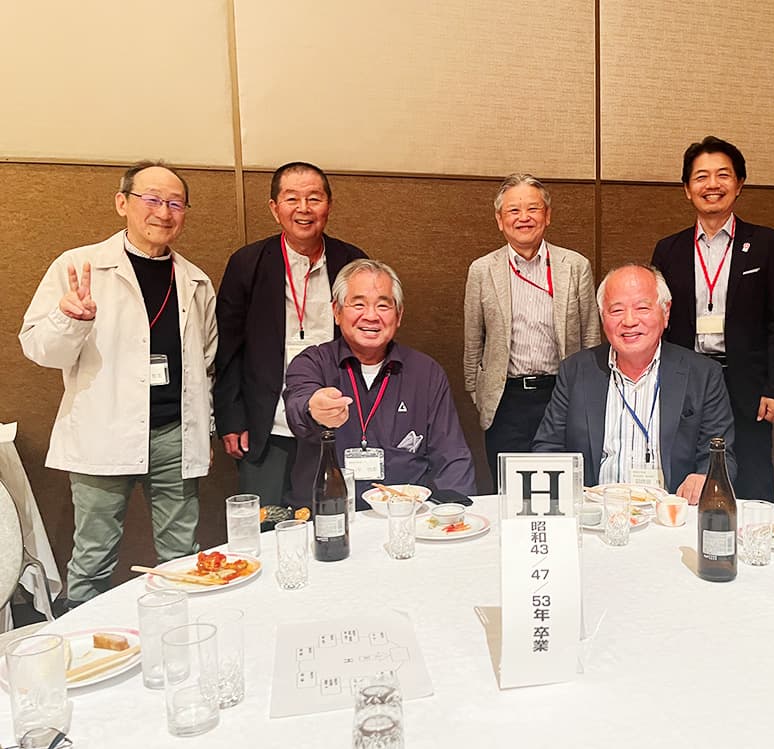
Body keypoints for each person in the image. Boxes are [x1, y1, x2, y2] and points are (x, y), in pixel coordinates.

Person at [19, 161, 216, 605]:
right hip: (103, 432)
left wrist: (205, 429)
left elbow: (206, 363)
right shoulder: (79, 266)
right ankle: (86, 641)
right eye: (152, 199)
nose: (163, 212)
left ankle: (180, 632)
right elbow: (39, 350)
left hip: (174, 436)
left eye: (175, 203)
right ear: (122, 203)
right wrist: (70, 319)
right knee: (93, 556)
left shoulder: (195, 280)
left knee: (182, 554)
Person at [651, 136, 774, 501]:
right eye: (701, 177)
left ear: (739, 183)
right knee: (688, 466)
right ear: (687, 189)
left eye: (723, 175)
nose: (712, 185)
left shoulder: (766, 243)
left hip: (747, 382)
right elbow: (658, 321)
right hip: (688, 376)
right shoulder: (668, 249)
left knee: (751, 473)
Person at [214, 162, 366, 506]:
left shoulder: (352, 262)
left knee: (334, 516)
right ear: (274, 208)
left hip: (335, 420)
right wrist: (232, 419)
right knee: (268, 522)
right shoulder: (247, 263)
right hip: (266, 423)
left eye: (314, 198)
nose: (303, 208)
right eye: (292, 198)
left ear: (328, 205)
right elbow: (228, 350)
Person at [532, 264, 736, 503]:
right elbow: (547, 448)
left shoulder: (703, 374)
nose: (629, 321)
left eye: (642, 308)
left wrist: (705, 477)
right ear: (602, 317)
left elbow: (721, 457)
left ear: (665, 312)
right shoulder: (576, 371)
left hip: (670, 513)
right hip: (596, 511)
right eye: (616, 310)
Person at [284, 259, 476, 507]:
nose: (371, 316)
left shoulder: (426, 372)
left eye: (383, 305)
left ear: (399, 315)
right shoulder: (312, 363)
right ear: (337, 311)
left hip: (405, 515)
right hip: (328, 514)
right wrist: (313, 409)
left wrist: (455, 513)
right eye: (359, 304)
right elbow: (298, 405)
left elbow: (451, 456)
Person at [464, 174, 601, 489]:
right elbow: (472, 342)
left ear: (547, 215)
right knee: (510, 490)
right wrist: (479, 393)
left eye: (532, 209)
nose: (523, 217)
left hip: (562, 394)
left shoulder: (574, 266)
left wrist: (587, 395)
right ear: (500, 220)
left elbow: (591, 337)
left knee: (563, 489)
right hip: (506, 400)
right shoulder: (482, 270)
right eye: (513, 210)